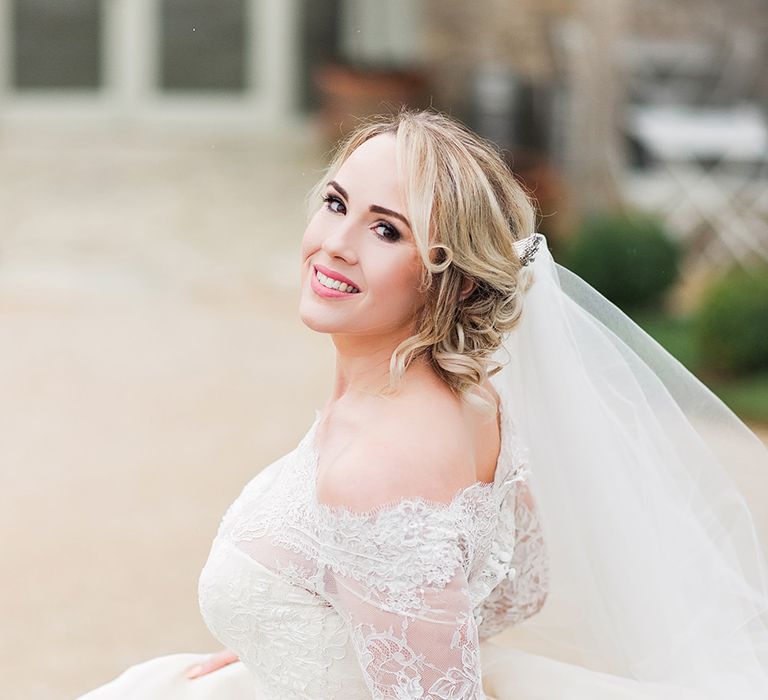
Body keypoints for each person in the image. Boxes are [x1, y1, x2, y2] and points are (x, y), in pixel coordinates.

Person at [77, 110, 768, 699]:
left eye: (387, 231)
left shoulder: (385, 462)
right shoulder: (472, 401)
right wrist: (301, 646)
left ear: (458, 282)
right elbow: (516, 587)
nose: (335, 245)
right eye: (336, 203)